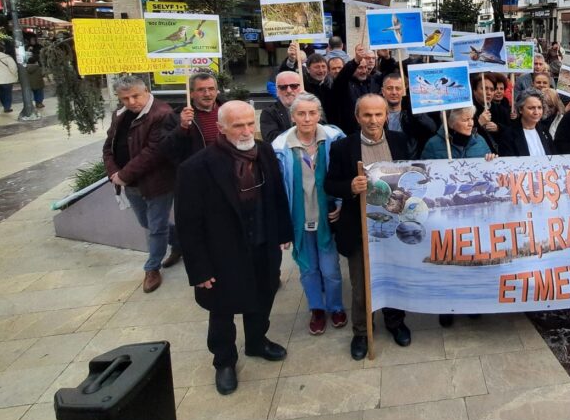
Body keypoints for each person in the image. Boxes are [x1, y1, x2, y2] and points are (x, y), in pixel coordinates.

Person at [175, 101, 293, 395]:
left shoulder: (264, 152)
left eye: (250, 123)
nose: (246, 131)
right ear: (221, 128)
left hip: (262, 242)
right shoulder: (196, 167)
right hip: (222, 253)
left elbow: (277, 194)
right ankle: (224, 361)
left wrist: (283, 232)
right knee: (221, 309)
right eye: (238, 126)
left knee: (263, 295)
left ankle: (256, 342)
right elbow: (188, 224)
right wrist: (199, 269)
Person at [324, 95, 412, 360]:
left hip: (393, 225)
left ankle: (395, 321)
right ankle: (362, 331)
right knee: (361, 284)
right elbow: (330, 184)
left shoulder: (399, 140)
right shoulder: (343, 147)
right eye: (367, 115)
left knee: (394, 276)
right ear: (357, 117)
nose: (373, 120)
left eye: (378, 114)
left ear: (386, 116)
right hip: (359, 227)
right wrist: (350, 187)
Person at [271, 93, 347, 336]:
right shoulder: (280, 147)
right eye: (301, 113)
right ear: (292, 116)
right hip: (299, 219)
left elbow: (344, 174)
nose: (307, 118)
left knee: (330, 269)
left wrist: (341, 203)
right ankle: (317, 309)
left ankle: (335, 306)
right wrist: (281, 226)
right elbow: (277, 189)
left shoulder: (334, 139)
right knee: (308, 269)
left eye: (312, 113)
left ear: (319, 114)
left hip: (327, 217)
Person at [102, 75, 181, 291]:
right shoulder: (120, 115)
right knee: (147, 222)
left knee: (156, 227)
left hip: (158, 182)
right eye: (125, 98)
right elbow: (109, 146)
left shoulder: (162, 113)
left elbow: (154, 152)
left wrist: (123, 175)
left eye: (135, 96)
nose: (131, 102)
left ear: (146, 91)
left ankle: (152, 268)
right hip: (130, 183)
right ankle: (180, 241)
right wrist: (113, 172)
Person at [164, 73, 224, 164]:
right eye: (201, 90)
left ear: (217, 91)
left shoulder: (230, 110)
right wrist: (182, 127)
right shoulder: (176, 116)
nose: (207, 94)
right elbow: (166, 149)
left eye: (211, 89)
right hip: (198, 169)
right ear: (191, 94)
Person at [381, 72, 435, 158]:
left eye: (398, 88)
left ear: (403, 91)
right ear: (383, 91)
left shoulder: (411, 114)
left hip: (409, 160)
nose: (394, 92)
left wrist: (417, 113)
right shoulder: (376, 115)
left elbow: (432, 129)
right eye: (389, 88)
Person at [329, 45, 381, 133]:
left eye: (365, 67)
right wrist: (356, 61)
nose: (364, 71)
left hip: (371, 130)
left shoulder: (373, 82)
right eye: (360, 67)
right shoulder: (344, 84)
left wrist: (387, 58)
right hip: (350, 132)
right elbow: (342, 76)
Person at [421, 106, 496, 159]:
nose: (471, 124)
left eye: (471, 118)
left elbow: (490, 171)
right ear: (451, 122)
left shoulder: (480, 141)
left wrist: (491, 160)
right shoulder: (433, 145)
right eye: (465, 120)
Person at [498, 89, 557, 157]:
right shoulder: (509, 135)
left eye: (539, 107)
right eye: (531, 108)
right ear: (520, 109)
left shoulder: (544, 130)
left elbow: (554, 156)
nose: (536, 112)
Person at [261, 71, 305, 145]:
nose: (289, 90)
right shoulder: (269, 112)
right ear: (277, 91)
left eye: (293, 86)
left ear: (301, 88)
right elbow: (271, 138)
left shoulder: (312, 108)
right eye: (283, 87)